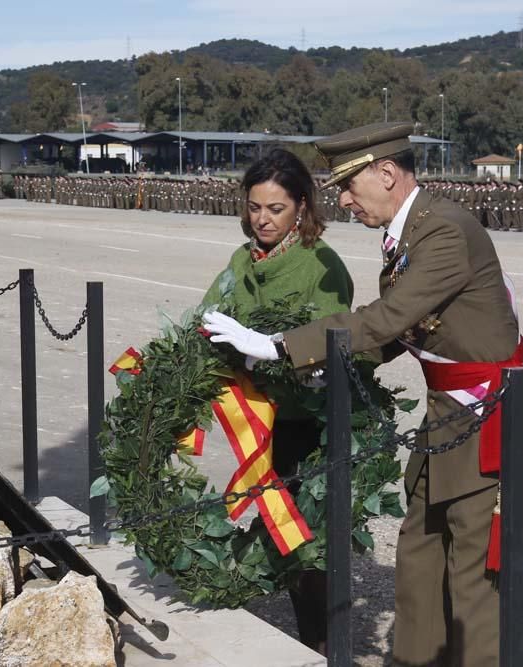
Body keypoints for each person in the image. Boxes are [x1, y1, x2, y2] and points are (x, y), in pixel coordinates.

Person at [202, 122, 523, 666]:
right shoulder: (410, 233)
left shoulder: (444, 230)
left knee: (476, 582)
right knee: (420, 562)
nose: (344, 199)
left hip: (492, 423)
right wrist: (336, 369)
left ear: (387, 173)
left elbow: (392, 315)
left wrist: (280, 346)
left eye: (349, 186)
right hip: (449, 421)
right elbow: (408, 332)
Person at [202, 148, 353, 655]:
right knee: (278, 531)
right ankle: (309, 638)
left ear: (303, 207)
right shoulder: (241, 261)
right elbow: (207, 313)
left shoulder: (320, 265)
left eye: (275, 209)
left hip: (308, 423)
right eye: (254, 207)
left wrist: (265, 354)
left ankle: (326, 647)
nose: (261, 219)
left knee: (308, 541)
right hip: (261, 421)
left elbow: (331, 351)